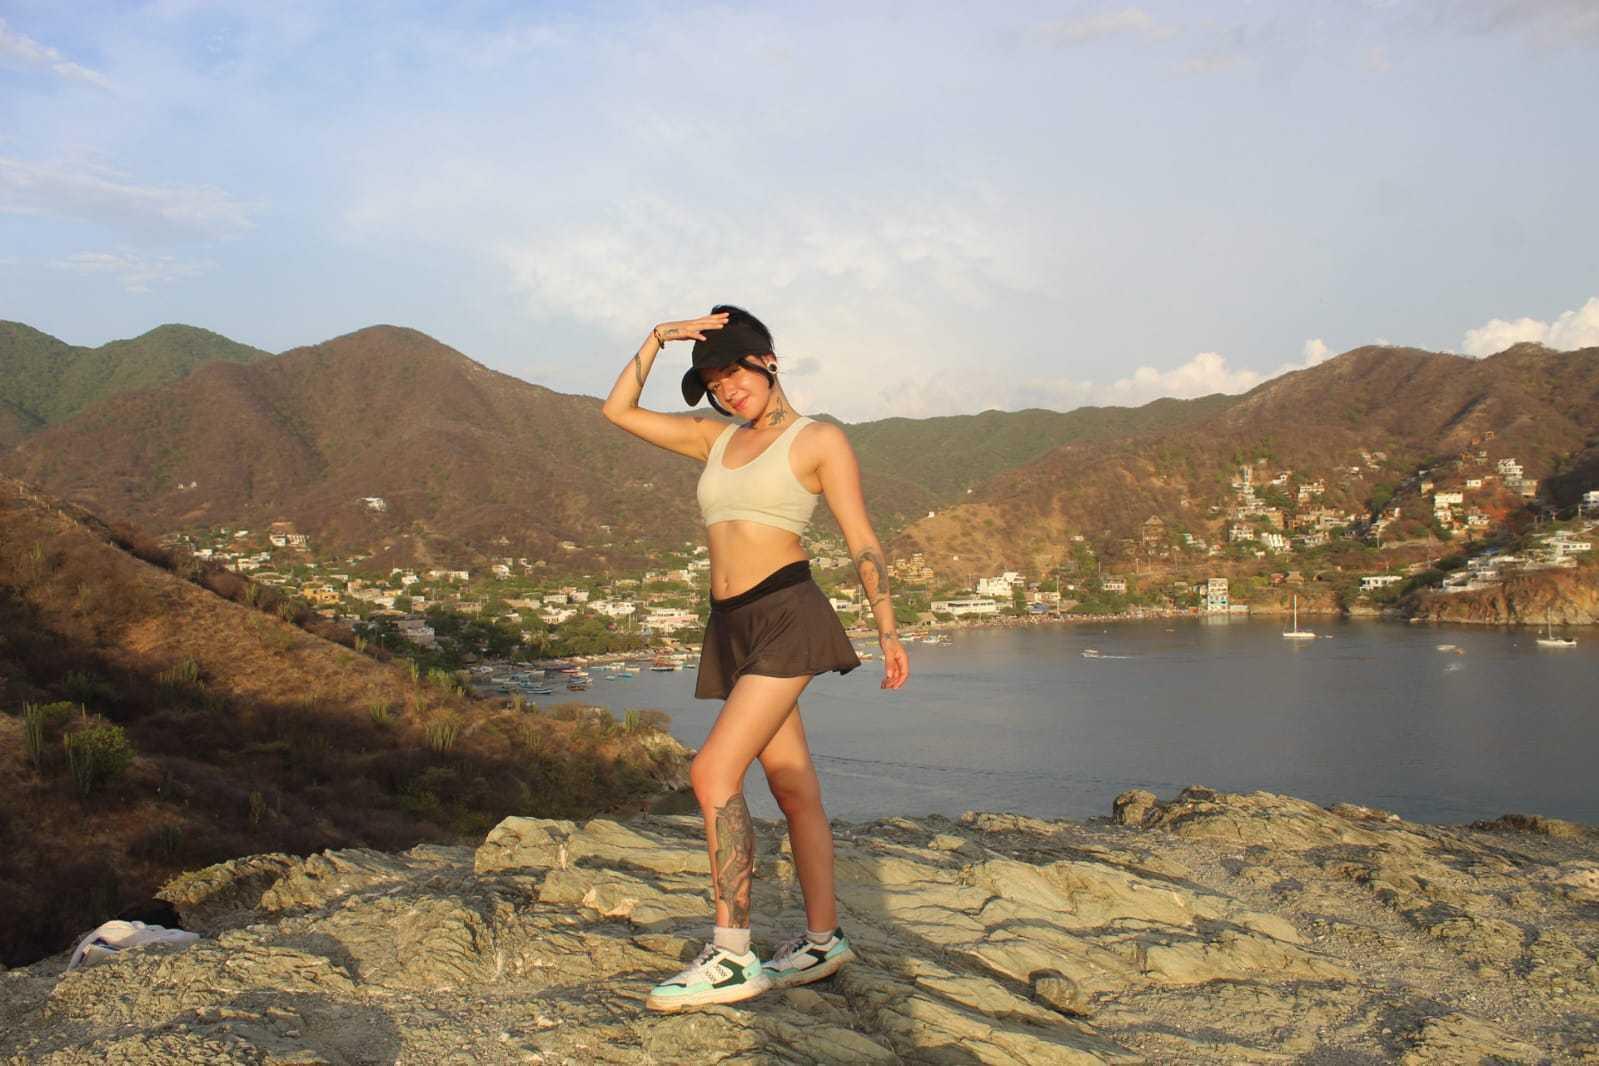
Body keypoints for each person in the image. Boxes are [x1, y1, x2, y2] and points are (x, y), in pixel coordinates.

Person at [601, 304, 910, 1012]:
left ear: (767, 362)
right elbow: (617, 411)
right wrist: (657, 338)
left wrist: (887, 630)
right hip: (731, 625)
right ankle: (823, 939)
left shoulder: (817, 439)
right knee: (792, 785)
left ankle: (732, 954)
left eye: (733, 373)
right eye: (712, 382)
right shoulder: (713, 439)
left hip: (786, 614)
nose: (725, 390)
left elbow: (861, 538)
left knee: (711, 771)